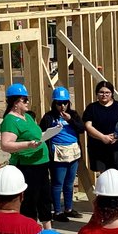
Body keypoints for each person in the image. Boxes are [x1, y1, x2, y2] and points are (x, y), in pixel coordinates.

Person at [0, 82, 53, 229]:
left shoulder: (27, 117)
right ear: (15, 102)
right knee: (30, 200)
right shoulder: (10, 121)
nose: (28, 102)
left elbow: (35, 135)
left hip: (41, 164)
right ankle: (30, 230)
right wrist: (28, 145)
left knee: (44, 198)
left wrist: (49, 133)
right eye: (24, 100)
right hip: (28, 166)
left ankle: (48, 229)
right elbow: (6, 145)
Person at [40, 86, 85, 223]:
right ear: (54, 103)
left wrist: (71, 119)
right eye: (59, 103)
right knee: (57, 183)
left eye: (65, 103)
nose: (62, 106)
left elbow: (81, 129)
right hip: (58, 152)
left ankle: (68, 209)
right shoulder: (49, 117)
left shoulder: (73, 114)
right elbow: (42, 134)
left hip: (73, 151)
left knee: (69, 183)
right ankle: (58, 211)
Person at [82, 80, 118, 174]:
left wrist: (117, 137)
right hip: (100, 148)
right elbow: (88, 126)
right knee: (106, 176)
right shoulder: (92, 108)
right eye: (101, 92)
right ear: (97, 93)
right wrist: (103, 137)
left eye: (107, 92)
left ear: (112, 94)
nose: (104, 95)